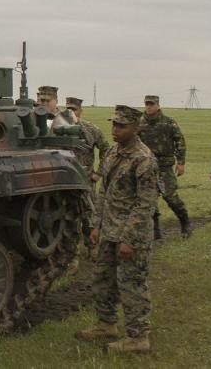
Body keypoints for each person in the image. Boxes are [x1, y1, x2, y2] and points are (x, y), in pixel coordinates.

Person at [76, 105, 157, 353]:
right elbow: (104, 193)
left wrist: (129, 239)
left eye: (122, 126)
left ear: (136, 128)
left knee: (131, 284)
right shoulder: (112, 152)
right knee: (103, 280)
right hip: (109, 229)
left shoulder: (144, 159)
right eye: (114, 124)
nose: (115, 129)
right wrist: (96, 224)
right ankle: (106, 324)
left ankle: (138, 337)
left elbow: (146, 205)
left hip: (131, 234)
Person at [139, 95, 192, 239]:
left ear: (158, 105)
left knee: (170, 197)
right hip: (146, 166)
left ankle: (185, 222)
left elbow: (180, 142)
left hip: (165, 166)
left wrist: (181, 163)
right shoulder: (139, 123)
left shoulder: (168, 123)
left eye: (151, 104)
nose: (149, 107)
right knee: (149, 200)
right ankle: (156, 231)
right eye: (147, 104)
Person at [66, 97, 110, 255]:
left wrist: (99, 172)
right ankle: (72, 255)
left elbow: (106, 149)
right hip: (67, 183)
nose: (72, 113)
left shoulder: (90, 129)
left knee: (90, 215)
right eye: (69, 109)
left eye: (75, 110)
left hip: (86, 181)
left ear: (80, 111)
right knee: (69, 217)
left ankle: (92, 247)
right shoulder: (59, 130)